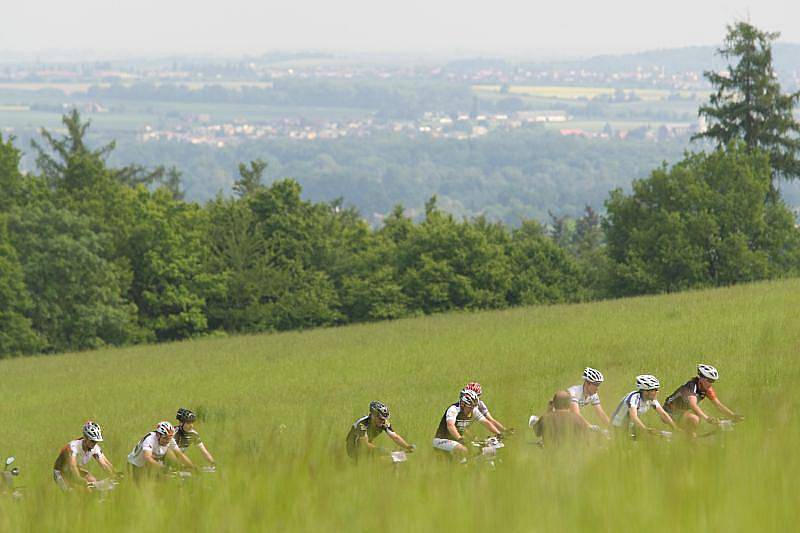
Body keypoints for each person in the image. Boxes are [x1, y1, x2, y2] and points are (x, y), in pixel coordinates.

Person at [663, 364, 744, 438]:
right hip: (669, 410)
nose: (710, 384)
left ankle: (687, 440)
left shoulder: (707, 389)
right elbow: (693, 405)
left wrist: (733, 415)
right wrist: (708, 418)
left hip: (682, 412)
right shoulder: (690, 386)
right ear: (701, 379)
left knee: (694, 431)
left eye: (713, 381)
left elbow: (718, 405)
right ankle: (690, 444)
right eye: (709, 380)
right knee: (694, 419)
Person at [433, 388, 500, 458]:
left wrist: (498, 433)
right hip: (441, 440)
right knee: (464, 450)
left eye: (473, 407)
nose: (472, 410)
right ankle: (462, 467)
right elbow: (450, 426)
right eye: (470, 407)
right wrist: (460, 439)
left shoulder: (472, 409)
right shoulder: (453, 409)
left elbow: (485, 422)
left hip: (457, 440)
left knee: (481, 449)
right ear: (463, 404)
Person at [53, 421, 116, 491]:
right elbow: (72, 466)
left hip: (75, 470)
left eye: (96, 441)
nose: (94, 444)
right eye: (92, 441)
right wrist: (80, 480)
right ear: (85, 438)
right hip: (61, 473)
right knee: (75, 492)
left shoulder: (95, 448)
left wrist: (114, 474)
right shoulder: (73, 447)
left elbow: (104, 464)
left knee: (93, 481)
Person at [611, 375, 678, 437]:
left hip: (631, 425)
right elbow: (634, 417)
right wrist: (645, 430)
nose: (657, 392)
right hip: (618, 426)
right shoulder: (634, 398)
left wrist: (675, 428)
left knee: (661, 435)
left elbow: (663, 414)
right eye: (654, 390)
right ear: (645, 392)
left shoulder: (651, 399)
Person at [346, 401, 415, 461]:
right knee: (382, 461)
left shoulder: (384, 423)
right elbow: (364, 444)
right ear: (373, 415)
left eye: (385, 419)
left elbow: (395, 437)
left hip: (367, 446)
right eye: (381, 419)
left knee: (389, 459)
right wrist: (380, 450)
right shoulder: (362, 424)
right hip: (354, 448)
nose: (383, 421)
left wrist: (407, 446)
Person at [127, 421, 194, 480]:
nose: (167, 441)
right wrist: (162, 468)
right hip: (135, 465)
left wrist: (192, 467)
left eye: (169, 438)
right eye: (165, 438)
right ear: (158, 435)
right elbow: (148, 458)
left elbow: (180, 454)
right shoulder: (150, 439)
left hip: (151, 461)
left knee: (170, 456)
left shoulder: (169, 439)